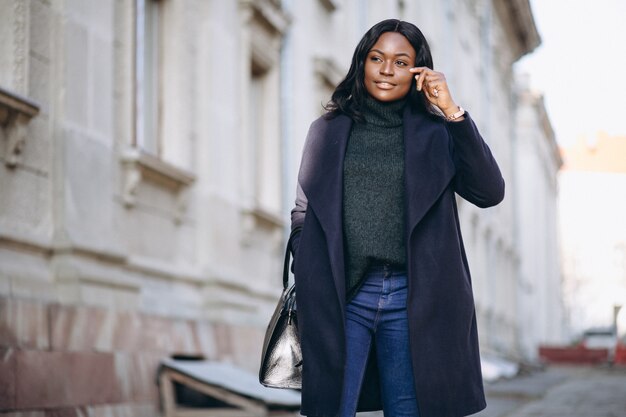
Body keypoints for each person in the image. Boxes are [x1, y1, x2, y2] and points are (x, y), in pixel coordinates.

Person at [289, 19, 504, 417]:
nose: (387, 70)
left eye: (401, 62)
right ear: (362, 63)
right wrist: (308, 266)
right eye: (377, 58)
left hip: (414, 297)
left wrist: (453, 112)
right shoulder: (327, 131)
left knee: (409, 410)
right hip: (343, 295)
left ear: (418, 72)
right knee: (332, 408)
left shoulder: (437, 134)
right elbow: (304, 209)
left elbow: (489, 192)